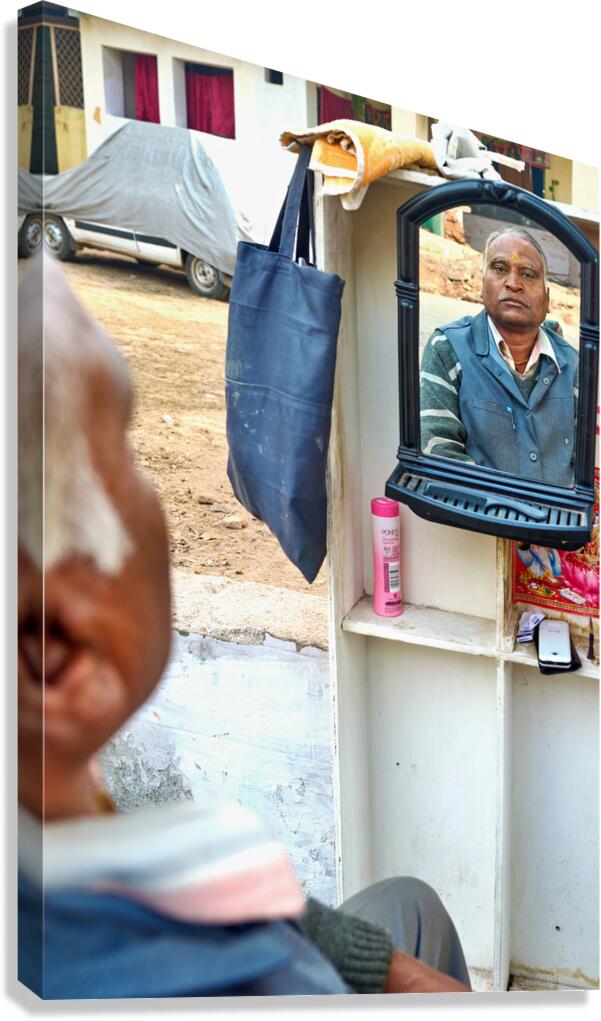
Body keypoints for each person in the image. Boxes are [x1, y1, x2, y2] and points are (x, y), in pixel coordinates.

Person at [18, 255, 471, 999]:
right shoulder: (237, 982)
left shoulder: (46, 811)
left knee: (407, 909)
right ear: (56, 653)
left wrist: (371, 959)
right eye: (127, 452)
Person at [420, 227, 579, 486]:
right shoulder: (447, 349)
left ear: (547, 300)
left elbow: (587, 466)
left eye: (528, 274)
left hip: (558, 525)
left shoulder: (573, 365)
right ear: (482, 287)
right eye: (500, 268)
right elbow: (439, 455)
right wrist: (513, 514)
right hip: (475, 524)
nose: (514, 283)